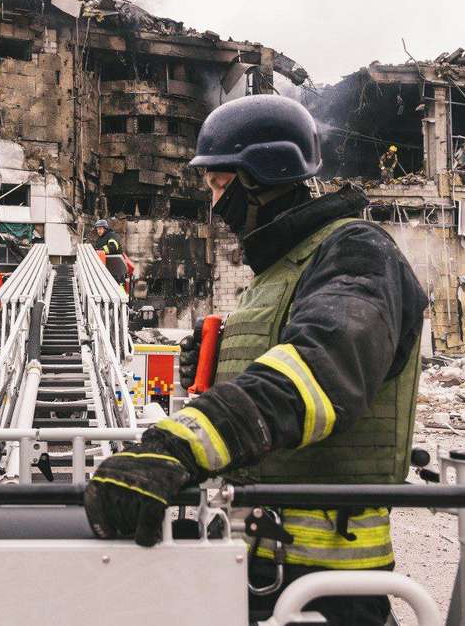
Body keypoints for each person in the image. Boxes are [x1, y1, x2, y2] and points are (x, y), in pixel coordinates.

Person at [84, 95, 427, 625]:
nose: (215, 203)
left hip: (325, 591)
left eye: (220, 185)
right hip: (258, 565)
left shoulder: (357, 251)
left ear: (263, 178)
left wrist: (178, 445)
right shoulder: (278, 272)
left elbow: (323, 369)